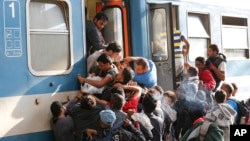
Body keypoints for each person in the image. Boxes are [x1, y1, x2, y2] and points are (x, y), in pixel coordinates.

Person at [81, 110, 146, 141]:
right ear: (113, 122)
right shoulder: (122, 134)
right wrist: (131, 126)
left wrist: (85, 131)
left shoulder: (95, 136)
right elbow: (142, 139)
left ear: (100, 121)